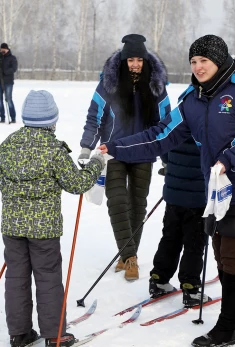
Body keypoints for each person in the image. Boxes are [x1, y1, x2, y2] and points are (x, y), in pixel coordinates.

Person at [99, 35, 235, 347]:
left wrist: (228, 159)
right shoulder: (194, 100)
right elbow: (161, 136)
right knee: (224, 255)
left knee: (231, 256)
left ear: (219, 61)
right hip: (217, 192)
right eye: (193, 62)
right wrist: (116, 148)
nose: (197, 67)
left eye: (203, 61)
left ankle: (226, 330)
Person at [0, 90, 106, 347]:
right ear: (51, 121)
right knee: (47, 278)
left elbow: (2, 184)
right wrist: (96, 164)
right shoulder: (54, 150)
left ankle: (19, 333)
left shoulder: (9, 145)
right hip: (44, 229)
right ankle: (55, 335)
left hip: (12, 227)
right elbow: (76, 183)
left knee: (16, 278)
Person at [78, 34, 171, 281]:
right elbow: (94, 117)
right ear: (123, 59)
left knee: (137, 205)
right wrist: (87, 146)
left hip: (143, 151)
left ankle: (128, 256)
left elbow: (165, 124)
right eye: (130, 59)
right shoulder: (108, 84)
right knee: (117, 202)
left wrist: (166, 157)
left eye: (139, 59)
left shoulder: (156, 85)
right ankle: (130, 257)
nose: (135, 64)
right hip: (113, 152)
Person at [149, 140, 212, 308]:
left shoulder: (177, 119)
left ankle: (159, 278)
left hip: (174, 193)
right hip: (198, 196)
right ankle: (190, 287)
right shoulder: (207, 123)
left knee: (170, 237)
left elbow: (165, 150)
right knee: (194, 243)